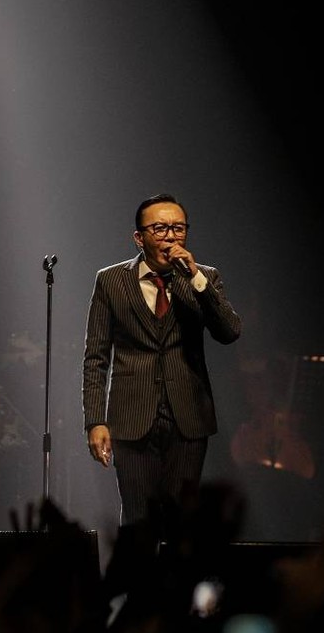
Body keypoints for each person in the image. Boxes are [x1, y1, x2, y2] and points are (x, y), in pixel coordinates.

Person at [82, 192, 242, 539]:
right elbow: (95, 356)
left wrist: (196, 279)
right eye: (160, 228)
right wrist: (95, 420)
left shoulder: (204, 278)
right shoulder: (110, 280)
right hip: (131, 416)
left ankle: (174, 592)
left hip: (188, 416)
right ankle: (135, 591)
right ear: (139, 238)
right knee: (138, 519)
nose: (171, 236)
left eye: (178, 228)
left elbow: (229, 332)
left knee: (181, 521)